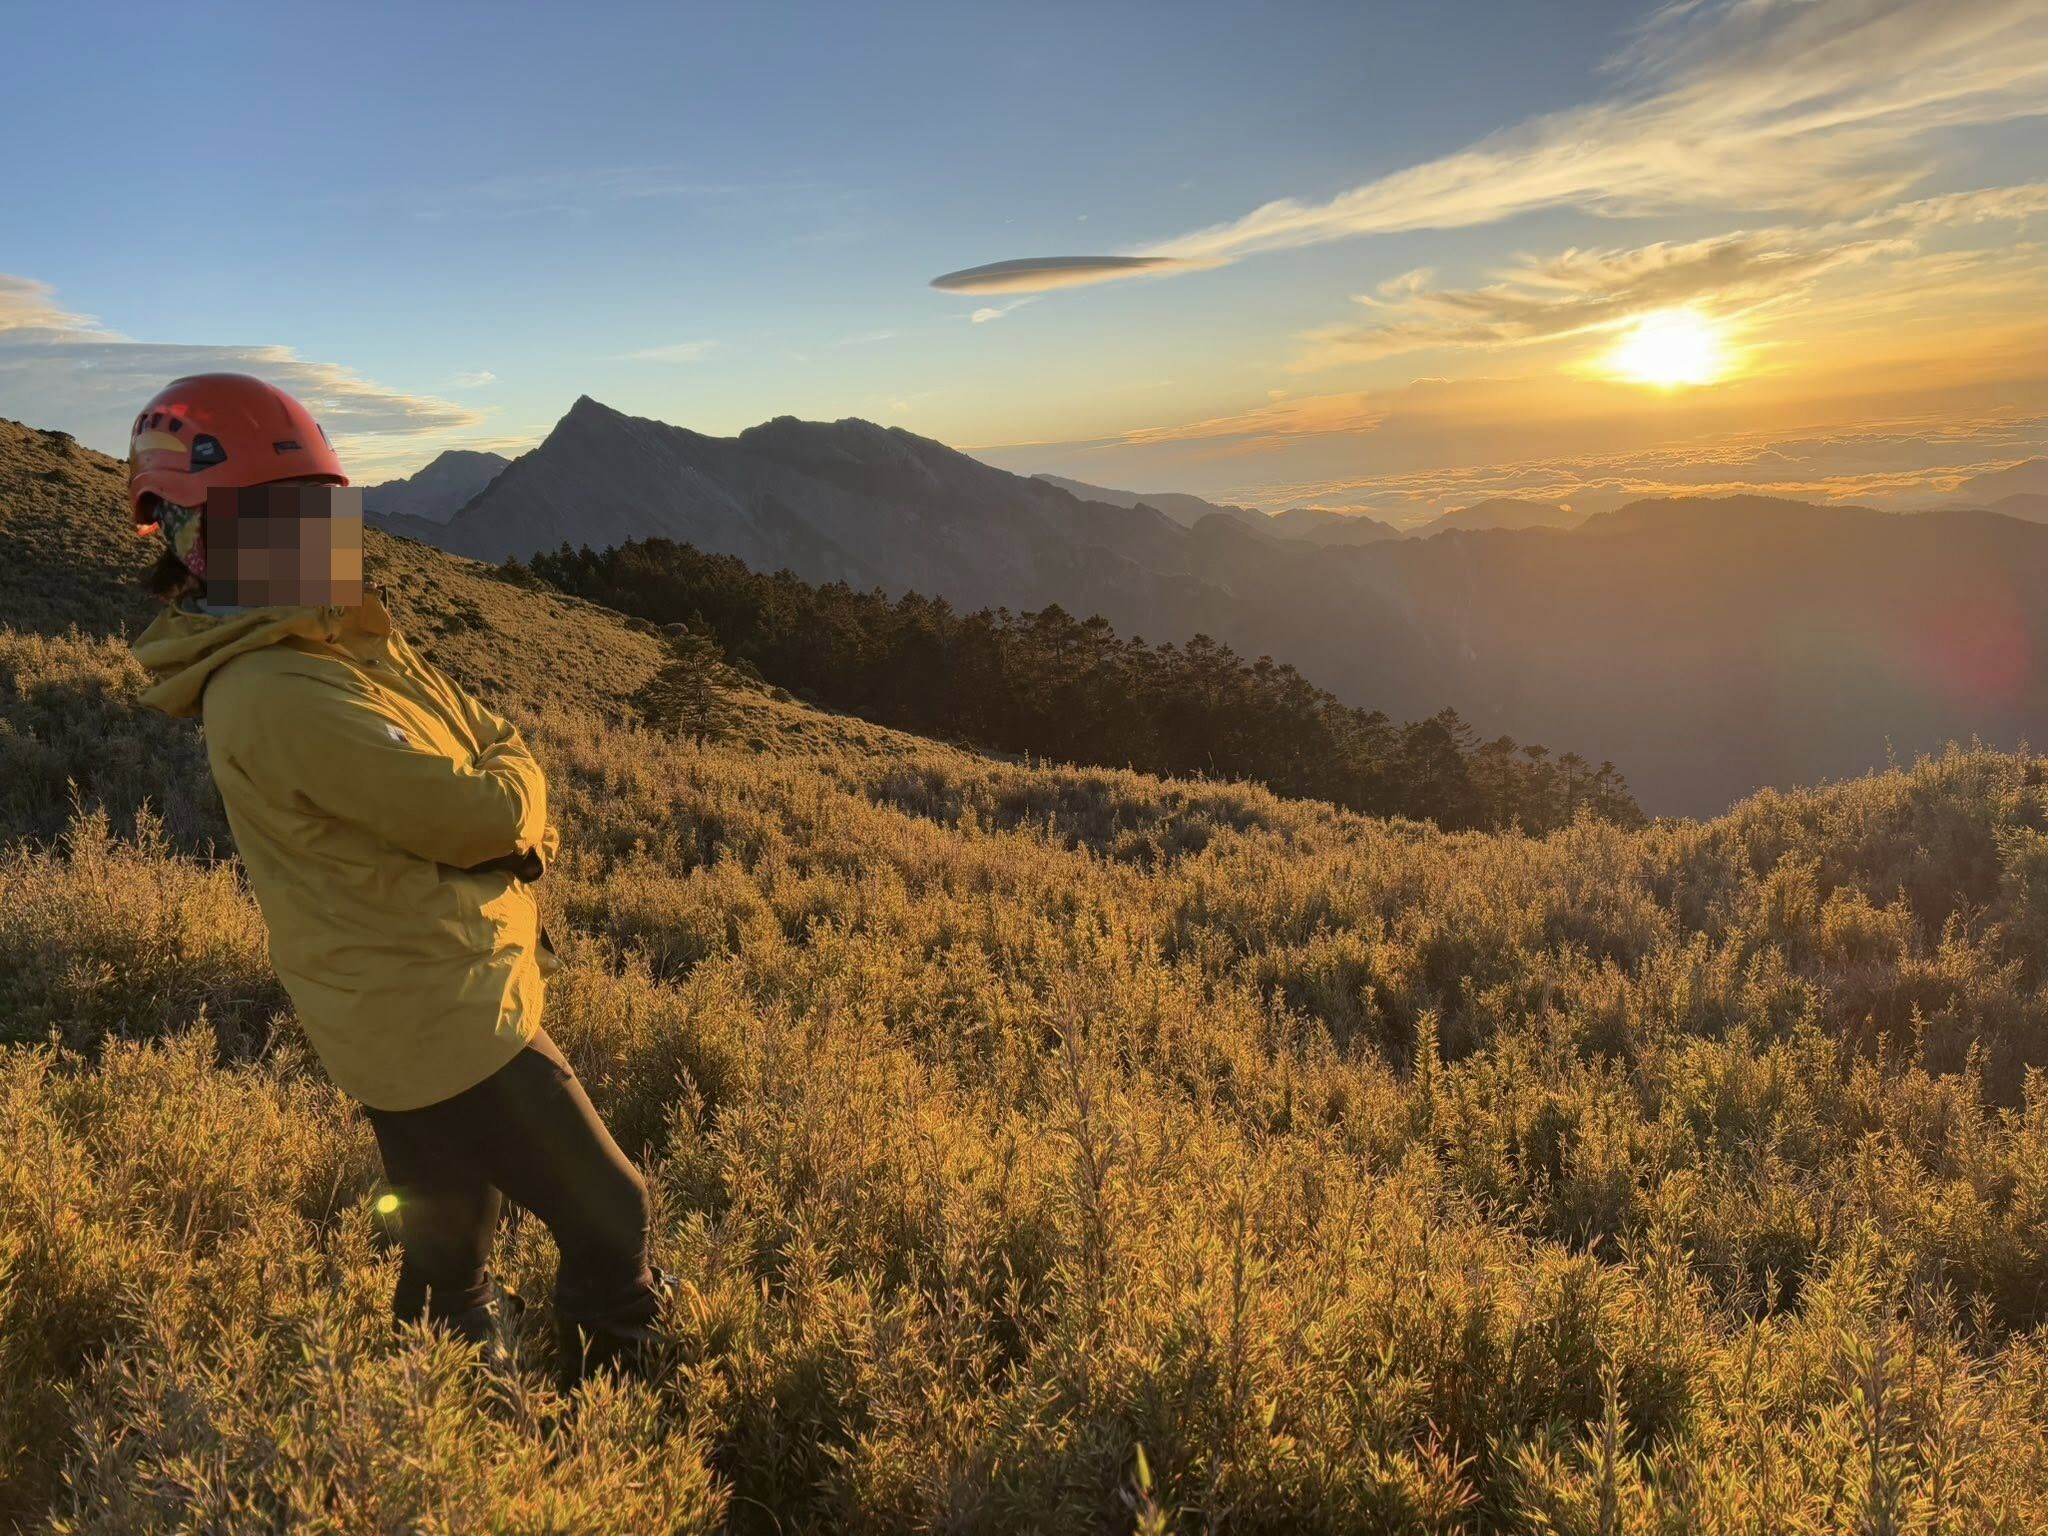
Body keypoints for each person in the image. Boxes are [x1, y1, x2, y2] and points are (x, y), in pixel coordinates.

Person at [126, 372, 663, 1379]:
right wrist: (517, 792)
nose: (316, 534)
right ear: (191, 538)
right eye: (277, 513)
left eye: (321, 505)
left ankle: (444, 1423)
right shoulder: (278, 689)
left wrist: (503, 775)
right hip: (435, 1013)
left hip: (408, 997)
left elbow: (486, 738)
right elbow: (485, 811)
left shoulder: (334, 642)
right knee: (611, 1214)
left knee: (449, 1242)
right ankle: (622, 1418)